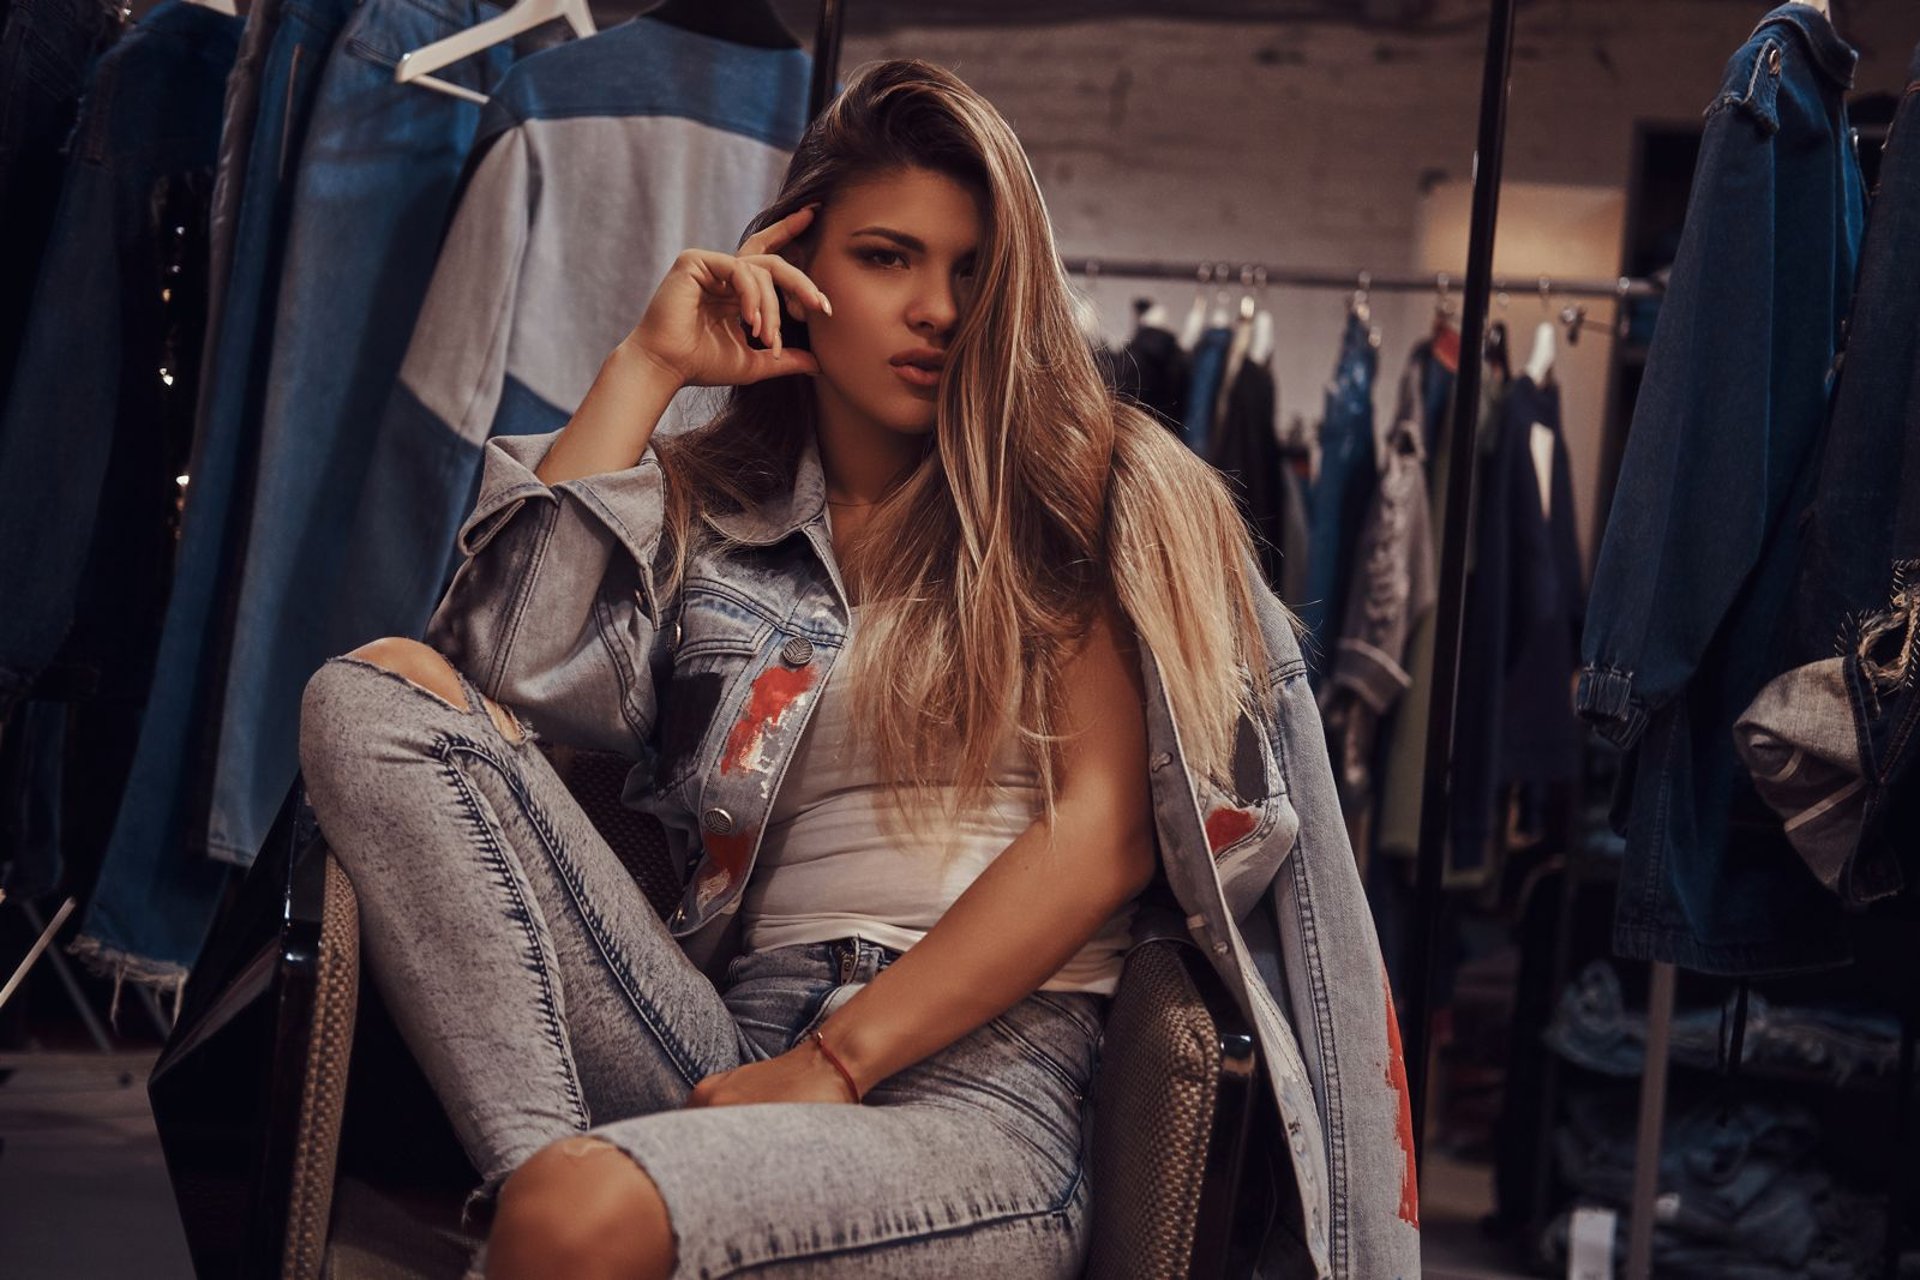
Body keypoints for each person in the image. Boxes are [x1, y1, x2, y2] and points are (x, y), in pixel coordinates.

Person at [298, 59, 1418, 1280]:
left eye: (973, 270)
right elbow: (500, 678)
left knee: (584, 1216)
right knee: (374, 694)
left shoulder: (1091, 488)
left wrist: (838, 1062)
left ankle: (573, 1210)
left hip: (984, 1090)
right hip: (728, 1025)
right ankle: (557, 1191)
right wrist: (647, 367)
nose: (938, 306)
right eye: (888, 256)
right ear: (799, 265)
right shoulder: (720, 513)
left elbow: (1107, 831)